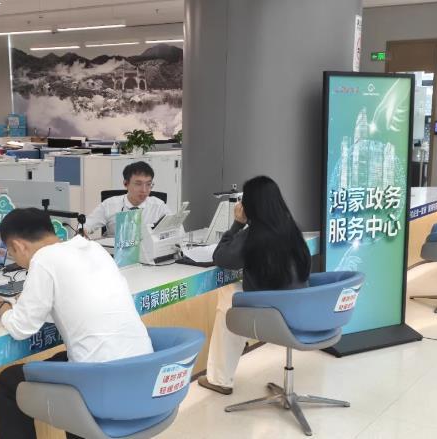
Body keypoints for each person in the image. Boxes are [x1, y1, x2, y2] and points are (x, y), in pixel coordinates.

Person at [0, 208, 153, 439]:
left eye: (11, 252)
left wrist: (3, 307)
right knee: (64, 360)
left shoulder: (43, 260)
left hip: (99, 380)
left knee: (9, 381)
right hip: (142, 372)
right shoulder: (93, 248)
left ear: (18, 245)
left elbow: (21, 328)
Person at [197, 176, 311, 395]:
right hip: (299, 312)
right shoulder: (292, 230)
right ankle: (235, 348)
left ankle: (220, 378)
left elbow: (221, 257)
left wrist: (237, 224)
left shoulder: (253, 235)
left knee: (229, 294)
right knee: (234, 294)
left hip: (272, 317)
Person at [84, 161, 170, 236]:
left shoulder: (158, 206)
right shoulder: (109, 204)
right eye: (138, 184)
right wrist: (83, 231)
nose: (144, 190)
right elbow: (86, 225)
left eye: (148, 184)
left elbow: (174, 229)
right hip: (115, 249)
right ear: (126, 183)